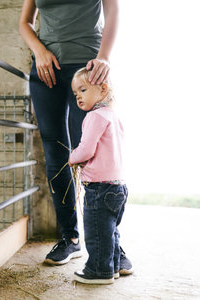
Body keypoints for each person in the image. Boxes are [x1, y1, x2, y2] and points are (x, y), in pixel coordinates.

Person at [19, 0, 132, 274]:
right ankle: (69, 237)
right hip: (46, 69)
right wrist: (39, 51)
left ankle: (111, 244)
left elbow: (113, 9)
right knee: (56, 151)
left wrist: (104, 56)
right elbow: (25, 21)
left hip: (89, 66)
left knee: (96, 153)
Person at [69, 67, 129, 284]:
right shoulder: (113, 116)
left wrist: (73, 157)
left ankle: (98, 271)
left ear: (103, 89)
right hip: (118, 186)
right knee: (110, 231)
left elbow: (86, 149)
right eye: (76, 94)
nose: (78, 97)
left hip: (99, 187)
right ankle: (111, 267)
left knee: (96, 231)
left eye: (83, 90)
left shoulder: (94, 116)